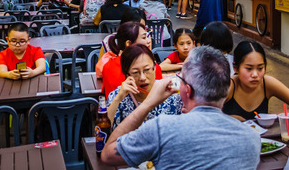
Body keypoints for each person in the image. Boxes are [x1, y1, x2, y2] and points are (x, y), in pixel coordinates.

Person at [101, 46, 261, 169]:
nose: (143, 77)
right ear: (226, 92)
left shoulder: (162, 128)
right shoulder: (252, 139)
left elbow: (108, 155)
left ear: (186, 90)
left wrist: (148, 104)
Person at [223, 41, 289, 121]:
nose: (255, 75)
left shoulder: (267, 83)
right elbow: (209, 115)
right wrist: (230, 119)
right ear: (235, 68)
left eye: (260, 68)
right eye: (249, 69)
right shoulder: (229, 86)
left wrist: (269, 118)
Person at [107, 44, 183, 128]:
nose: (142, 78)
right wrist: (118, 98)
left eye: (147, 70)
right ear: (126, 73)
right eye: (135, 72)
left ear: (154, 67)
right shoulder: (117, 96)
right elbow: (104, 131)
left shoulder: (170, 92)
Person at [101, 21, 161, 95]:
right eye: (144, 37)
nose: (148, 41)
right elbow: (158, 96)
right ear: (128, 44)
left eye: (148, 36)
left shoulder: (108, 66)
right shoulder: (152, 67)